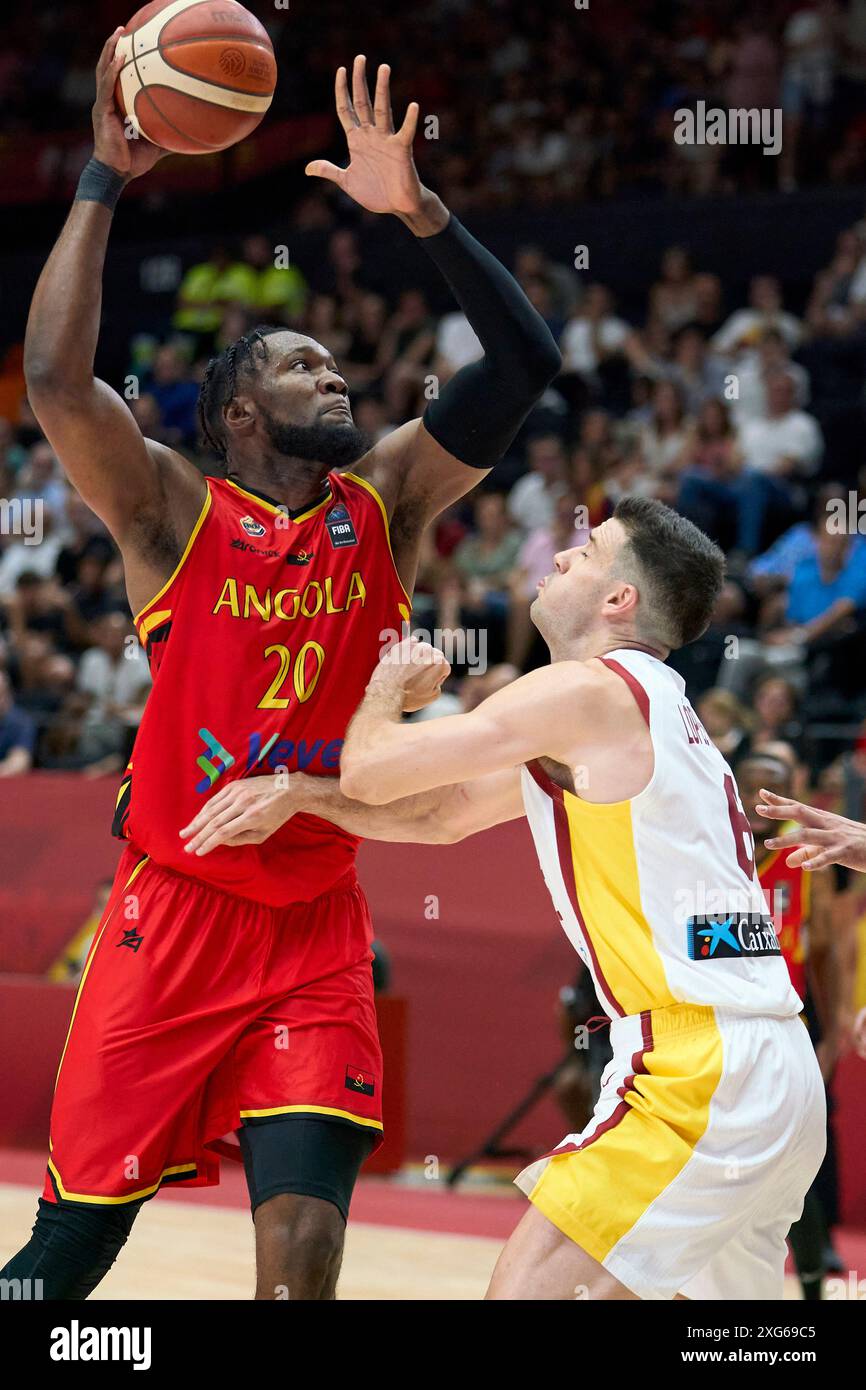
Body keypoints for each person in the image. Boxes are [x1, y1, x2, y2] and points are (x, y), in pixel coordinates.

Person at [1, 40, 560, 1303]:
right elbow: (52, 378)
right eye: (301, 364)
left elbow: (526, 366)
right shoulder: (168, 513)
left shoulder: (388, 504)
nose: (336, 374)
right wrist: (101, 173)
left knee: (301, 1271)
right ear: (239, 411)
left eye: (334, 360)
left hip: (316, 928)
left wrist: (420, 212)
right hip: (171, 918)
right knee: (64, 1262)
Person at [187, 497, 826, 1300]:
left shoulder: (586, 693)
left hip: (700, 1069)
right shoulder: (656, 709)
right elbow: (441, 811)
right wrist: (298, 794)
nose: (561, 557)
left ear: (618, 600)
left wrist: (389, 684)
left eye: (587, 552)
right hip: (774, 1070)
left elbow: (374, 767)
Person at [736, 751, 840, 1299]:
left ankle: (814, 1274)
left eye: (770, 788)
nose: (759, 798)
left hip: (789, 1020)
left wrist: (836, 1029)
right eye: (749, 784)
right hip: (723, 1024)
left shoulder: (802, 857)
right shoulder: (714, 849)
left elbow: (825, 950)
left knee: (793, 1163)